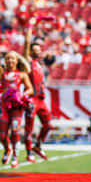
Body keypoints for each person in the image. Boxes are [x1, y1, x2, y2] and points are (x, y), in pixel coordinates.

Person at [0, 47, 33, 168]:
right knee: (2, 135)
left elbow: (30, 89)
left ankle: (15, 157)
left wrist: (23, 95)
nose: (10, 60)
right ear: (5, 61)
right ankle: (7, 149)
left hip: (17, 107)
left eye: (12, 58)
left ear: (17, 60)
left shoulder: (22, 74)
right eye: (7, 58)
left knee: (15, 129)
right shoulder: (2, 73)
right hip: (4, 106)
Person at [23, 18, 52, 163]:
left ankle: (38, 145)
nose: (38, 52)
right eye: (36, 50)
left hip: (41, 99)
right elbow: (27, 42)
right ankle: (29, 153)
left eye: (39, 50)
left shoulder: (39, 64)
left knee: (48, 125)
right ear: (30, 51)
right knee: (29, 127)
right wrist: (30, 25)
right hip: (32, 99)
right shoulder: (28, 62)